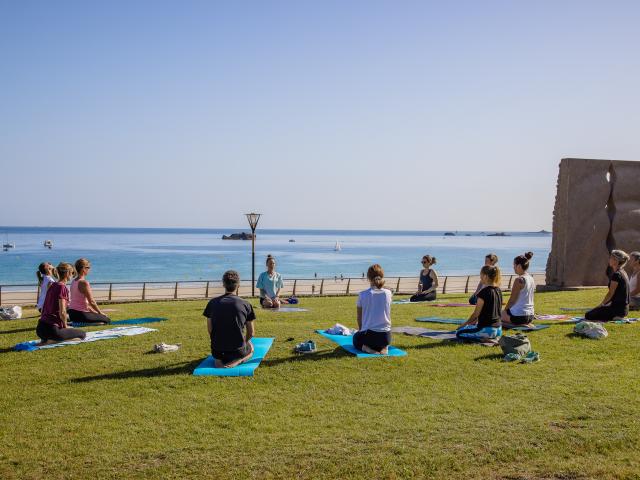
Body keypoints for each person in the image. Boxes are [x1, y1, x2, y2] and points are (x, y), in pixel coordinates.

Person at [203, 270, 256, 368]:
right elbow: (251, 333)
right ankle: (239, 361)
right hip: (237, 350)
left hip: (217, 350)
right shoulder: (245, 304)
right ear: (238, 285)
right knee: (251, 348)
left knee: (219, 357)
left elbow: (210, 330)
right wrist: (245, 341)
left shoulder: (212, 303)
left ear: (223, 284)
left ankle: (219, 361)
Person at [36, 262, 86, 345]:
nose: (73, 275)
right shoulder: (62, 287)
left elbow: (46, 306)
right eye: (72, 273)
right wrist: (65, 326)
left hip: (40, 328)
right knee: (82, 334)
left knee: (71, 331)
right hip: (52, 329)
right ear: (67, 273)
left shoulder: (52, 285)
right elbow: (62, 312)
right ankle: (52, 341)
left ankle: (46, 339)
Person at [456, 265, 503, 342]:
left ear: (485, 276)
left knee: (459, 333)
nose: (480, 276)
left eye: (481, 274)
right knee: (470, 328)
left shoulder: (483, 292)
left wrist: (464, 324)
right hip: (499, 329)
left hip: (487, 330)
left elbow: (476, 314)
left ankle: (483, 339)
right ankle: (493, 337)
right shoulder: (498, 290)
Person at [353, 264, 392, 355]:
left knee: (355, 339)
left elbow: (359, 318)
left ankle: (368, 349)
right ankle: (384, 347)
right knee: (381, 341)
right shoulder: (388, 293)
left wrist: (360, 331)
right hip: (386, 336)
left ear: (368, 278)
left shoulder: (362, 295)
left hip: (370, 337)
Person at [585, 250, 630, 321]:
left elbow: (610, 293)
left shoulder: (617, 275)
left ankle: (615, 316)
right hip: (623, 309)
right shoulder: (623, 272)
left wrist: (601, 304)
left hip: (617, 309)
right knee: (595, 312)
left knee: (588, 315)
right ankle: (616, 315)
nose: (609, 260)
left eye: (611, 258)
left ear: (616, 260)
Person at [68, 258, 111, 325]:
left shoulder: (74, 281)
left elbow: (83, 303)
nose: (89, 269)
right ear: (83, 269)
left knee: (100, 317)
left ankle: (78, 322)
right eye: (88, 267)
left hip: (71, 313)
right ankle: (87, 323)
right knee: (107, 320)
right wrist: (100, 312)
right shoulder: (84, 283)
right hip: (80, 314)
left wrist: (94, 312)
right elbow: (92, 302)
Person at [501, 252, 536, 328]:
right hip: (530, 315)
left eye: (514, 265)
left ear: (519, 266)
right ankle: (525, 324)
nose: (513, 267)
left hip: (518, 315)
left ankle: (519, 325)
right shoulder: (531, 278)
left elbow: (512, 300)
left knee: (494, 318)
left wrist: (505, 311)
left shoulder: (519, 280)